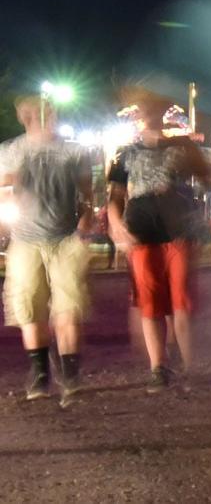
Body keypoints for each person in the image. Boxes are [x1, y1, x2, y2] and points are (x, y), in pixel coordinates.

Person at [106, 97, 210, 390]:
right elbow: (115, 196)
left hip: (179, 232)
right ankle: (158, 367)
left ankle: (189, 368)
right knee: (149, 302)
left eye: (152, 108)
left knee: (182, 302)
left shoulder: (183, 147)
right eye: (143, 109)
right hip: (141, 232)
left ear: (162, 112)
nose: (147, 114)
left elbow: (207, 180)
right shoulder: (124, 154)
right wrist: (116, 224)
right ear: (137, 114)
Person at [0, 97, 93, 402]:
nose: (40, 118)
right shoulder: (11, 150)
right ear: (23, 116)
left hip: (65, 237)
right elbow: (3, 191)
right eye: (31, 114)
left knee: (68, 309)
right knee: (30, 309)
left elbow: (87, 194)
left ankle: (70, 374)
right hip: (25, 239)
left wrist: (83, 227)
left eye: (45, 113)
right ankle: (40, 373)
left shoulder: (74, 151)